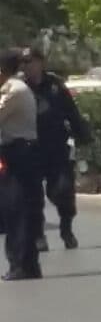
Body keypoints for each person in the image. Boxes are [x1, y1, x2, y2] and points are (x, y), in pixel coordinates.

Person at [20, 47, 92, 251]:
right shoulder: (19, 87)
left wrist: (82, 134)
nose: (28, 67)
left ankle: (66, 229)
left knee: (63, 191)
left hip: (56, 147)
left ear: (40, 62)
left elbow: (71, 111)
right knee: (32, 196)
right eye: (24, 63)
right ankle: (38, 235)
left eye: (31, 62)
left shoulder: (55, 85)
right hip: (30, 148)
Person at [0, 50, 42, 280]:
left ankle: (22, 264)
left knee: (16, 209)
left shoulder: (15, 91)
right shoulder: (12, 88)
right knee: (17, 208)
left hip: (19, 153)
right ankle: (26, 264)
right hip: (16, 151)